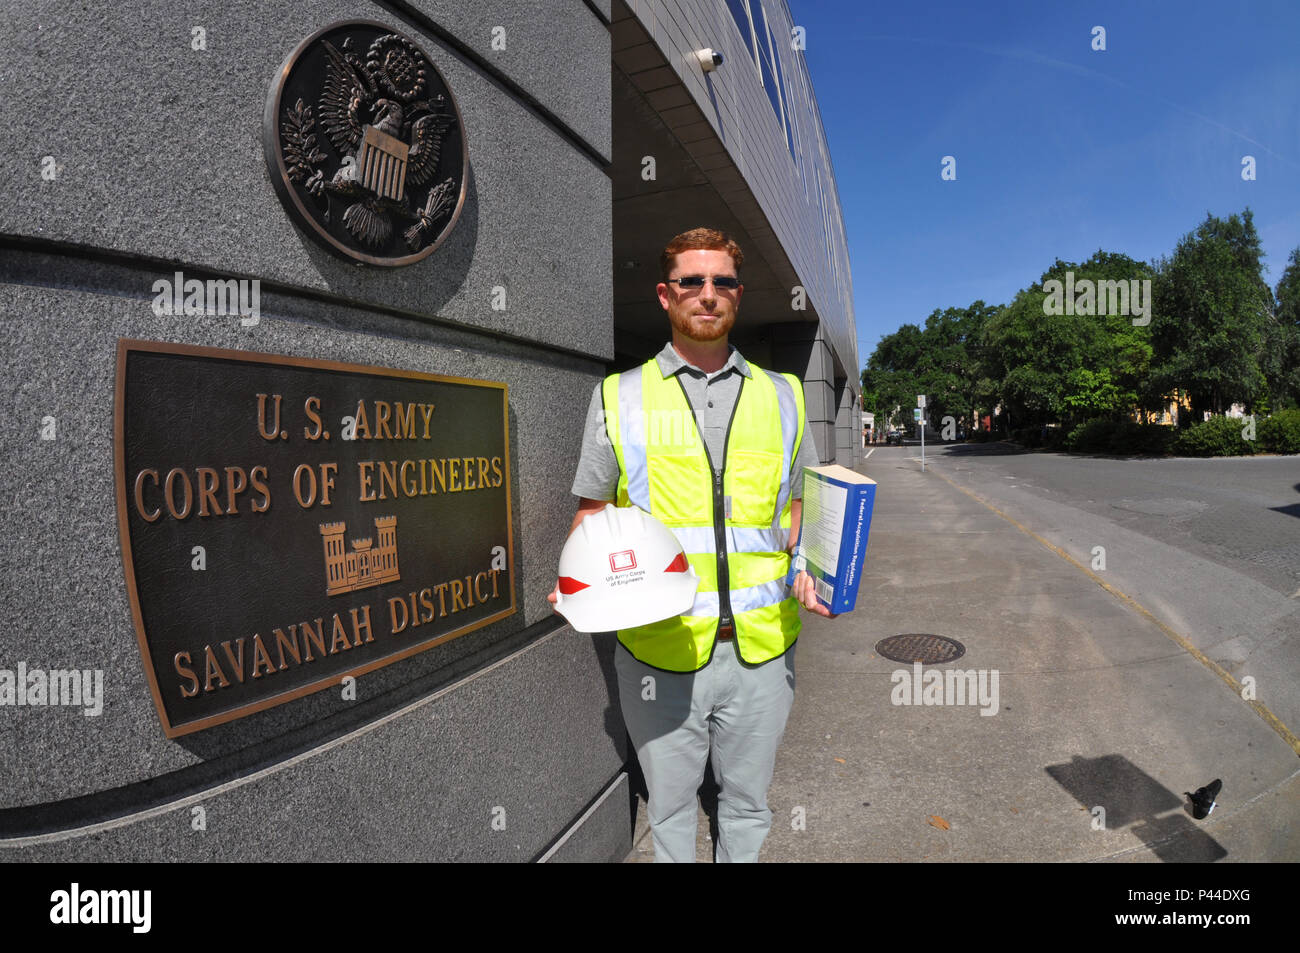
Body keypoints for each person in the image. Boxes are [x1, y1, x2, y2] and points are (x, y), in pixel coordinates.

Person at [549, 227, 833, 863]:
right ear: (664, 294)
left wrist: (815, 566)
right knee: (671, 812)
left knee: (748, 806)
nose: (708, 294)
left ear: (738, 292)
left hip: (763, 653)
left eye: (723, 281)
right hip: (658, 651)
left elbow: (802, 508)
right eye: (692, 282)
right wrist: (575, 579)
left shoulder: (783, 394)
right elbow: (591, 514)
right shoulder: (617, 396)